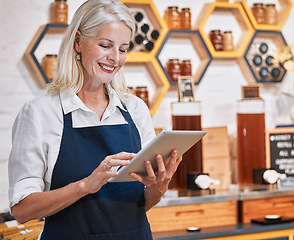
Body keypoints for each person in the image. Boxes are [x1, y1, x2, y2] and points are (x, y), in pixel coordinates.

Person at [8, 0, 182, 239]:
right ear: (78, 41)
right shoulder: (40, 114)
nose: (115, 58)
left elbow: (140, 205)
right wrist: (85, 185)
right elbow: (22, 210)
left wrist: (157, 187)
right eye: (105, 45)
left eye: (122, 49)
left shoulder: (135, 109)